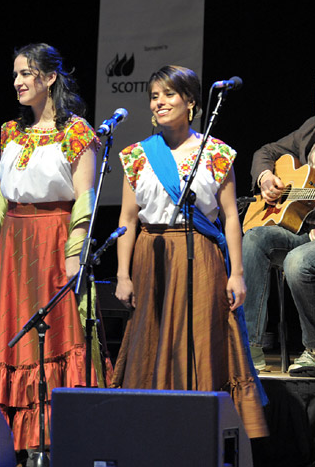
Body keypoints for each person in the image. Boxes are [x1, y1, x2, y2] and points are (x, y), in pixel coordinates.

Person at [112, 65, 267, 438]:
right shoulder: (137, 155)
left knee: (200, 341)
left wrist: (238, 273)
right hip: (153, 256)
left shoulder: (216, 152)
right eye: (154, 96)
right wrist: (123, 274)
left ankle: (200, 430)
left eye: (169, 94)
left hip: (201, 258)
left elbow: (231, 217)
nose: (160, 102)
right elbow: (128, 219)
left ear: (191, 102)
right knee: (151, 340)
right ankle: (151, 431)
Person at [0, 43, 110, 458]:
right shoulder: (13, 132)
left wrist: (74, 251)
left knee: (55, 335)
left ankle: (51, 439)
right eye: (15, 74)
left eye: (27, 73)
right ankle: (8, 438)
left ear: (50, 78)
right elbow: (2, 194)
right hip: (15, 240)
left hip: (53, 239)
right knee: (11, 339)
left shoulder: (77, 132)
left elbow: (86, 196)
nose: (18, 82)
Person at [243, 63, 315, 371]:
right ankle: (251, 347)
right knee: (255, 238)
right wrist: (266, 178)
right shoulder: (310, 130)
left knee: (298, 261)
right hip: (306, 229)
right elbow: (264, 152)